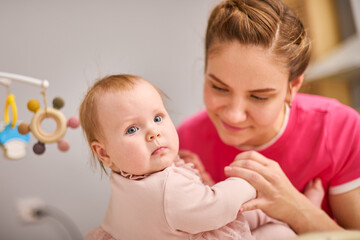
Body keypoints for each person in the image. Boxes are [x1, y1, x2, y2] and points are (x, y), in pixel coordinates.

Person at [177, 0, 360, 235]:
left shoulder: (340, 130)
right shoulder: (184, 142)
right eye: (219, 88)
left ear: (293, 86)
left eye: (259, 97)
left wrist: (295, 207)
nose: (234, 115)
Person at [79, 74, 300, 240]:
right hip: (211, 218)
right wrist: (249, 182)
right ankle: (296, 221)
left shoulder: (125, 182)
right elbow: (217, 206)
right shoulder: (166, 189)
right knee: (278, 232)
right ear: (104, 153)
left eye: (157, 118)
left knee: (252, 213)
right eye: (132, 130)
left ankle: (288, 214)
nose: (154, 132)